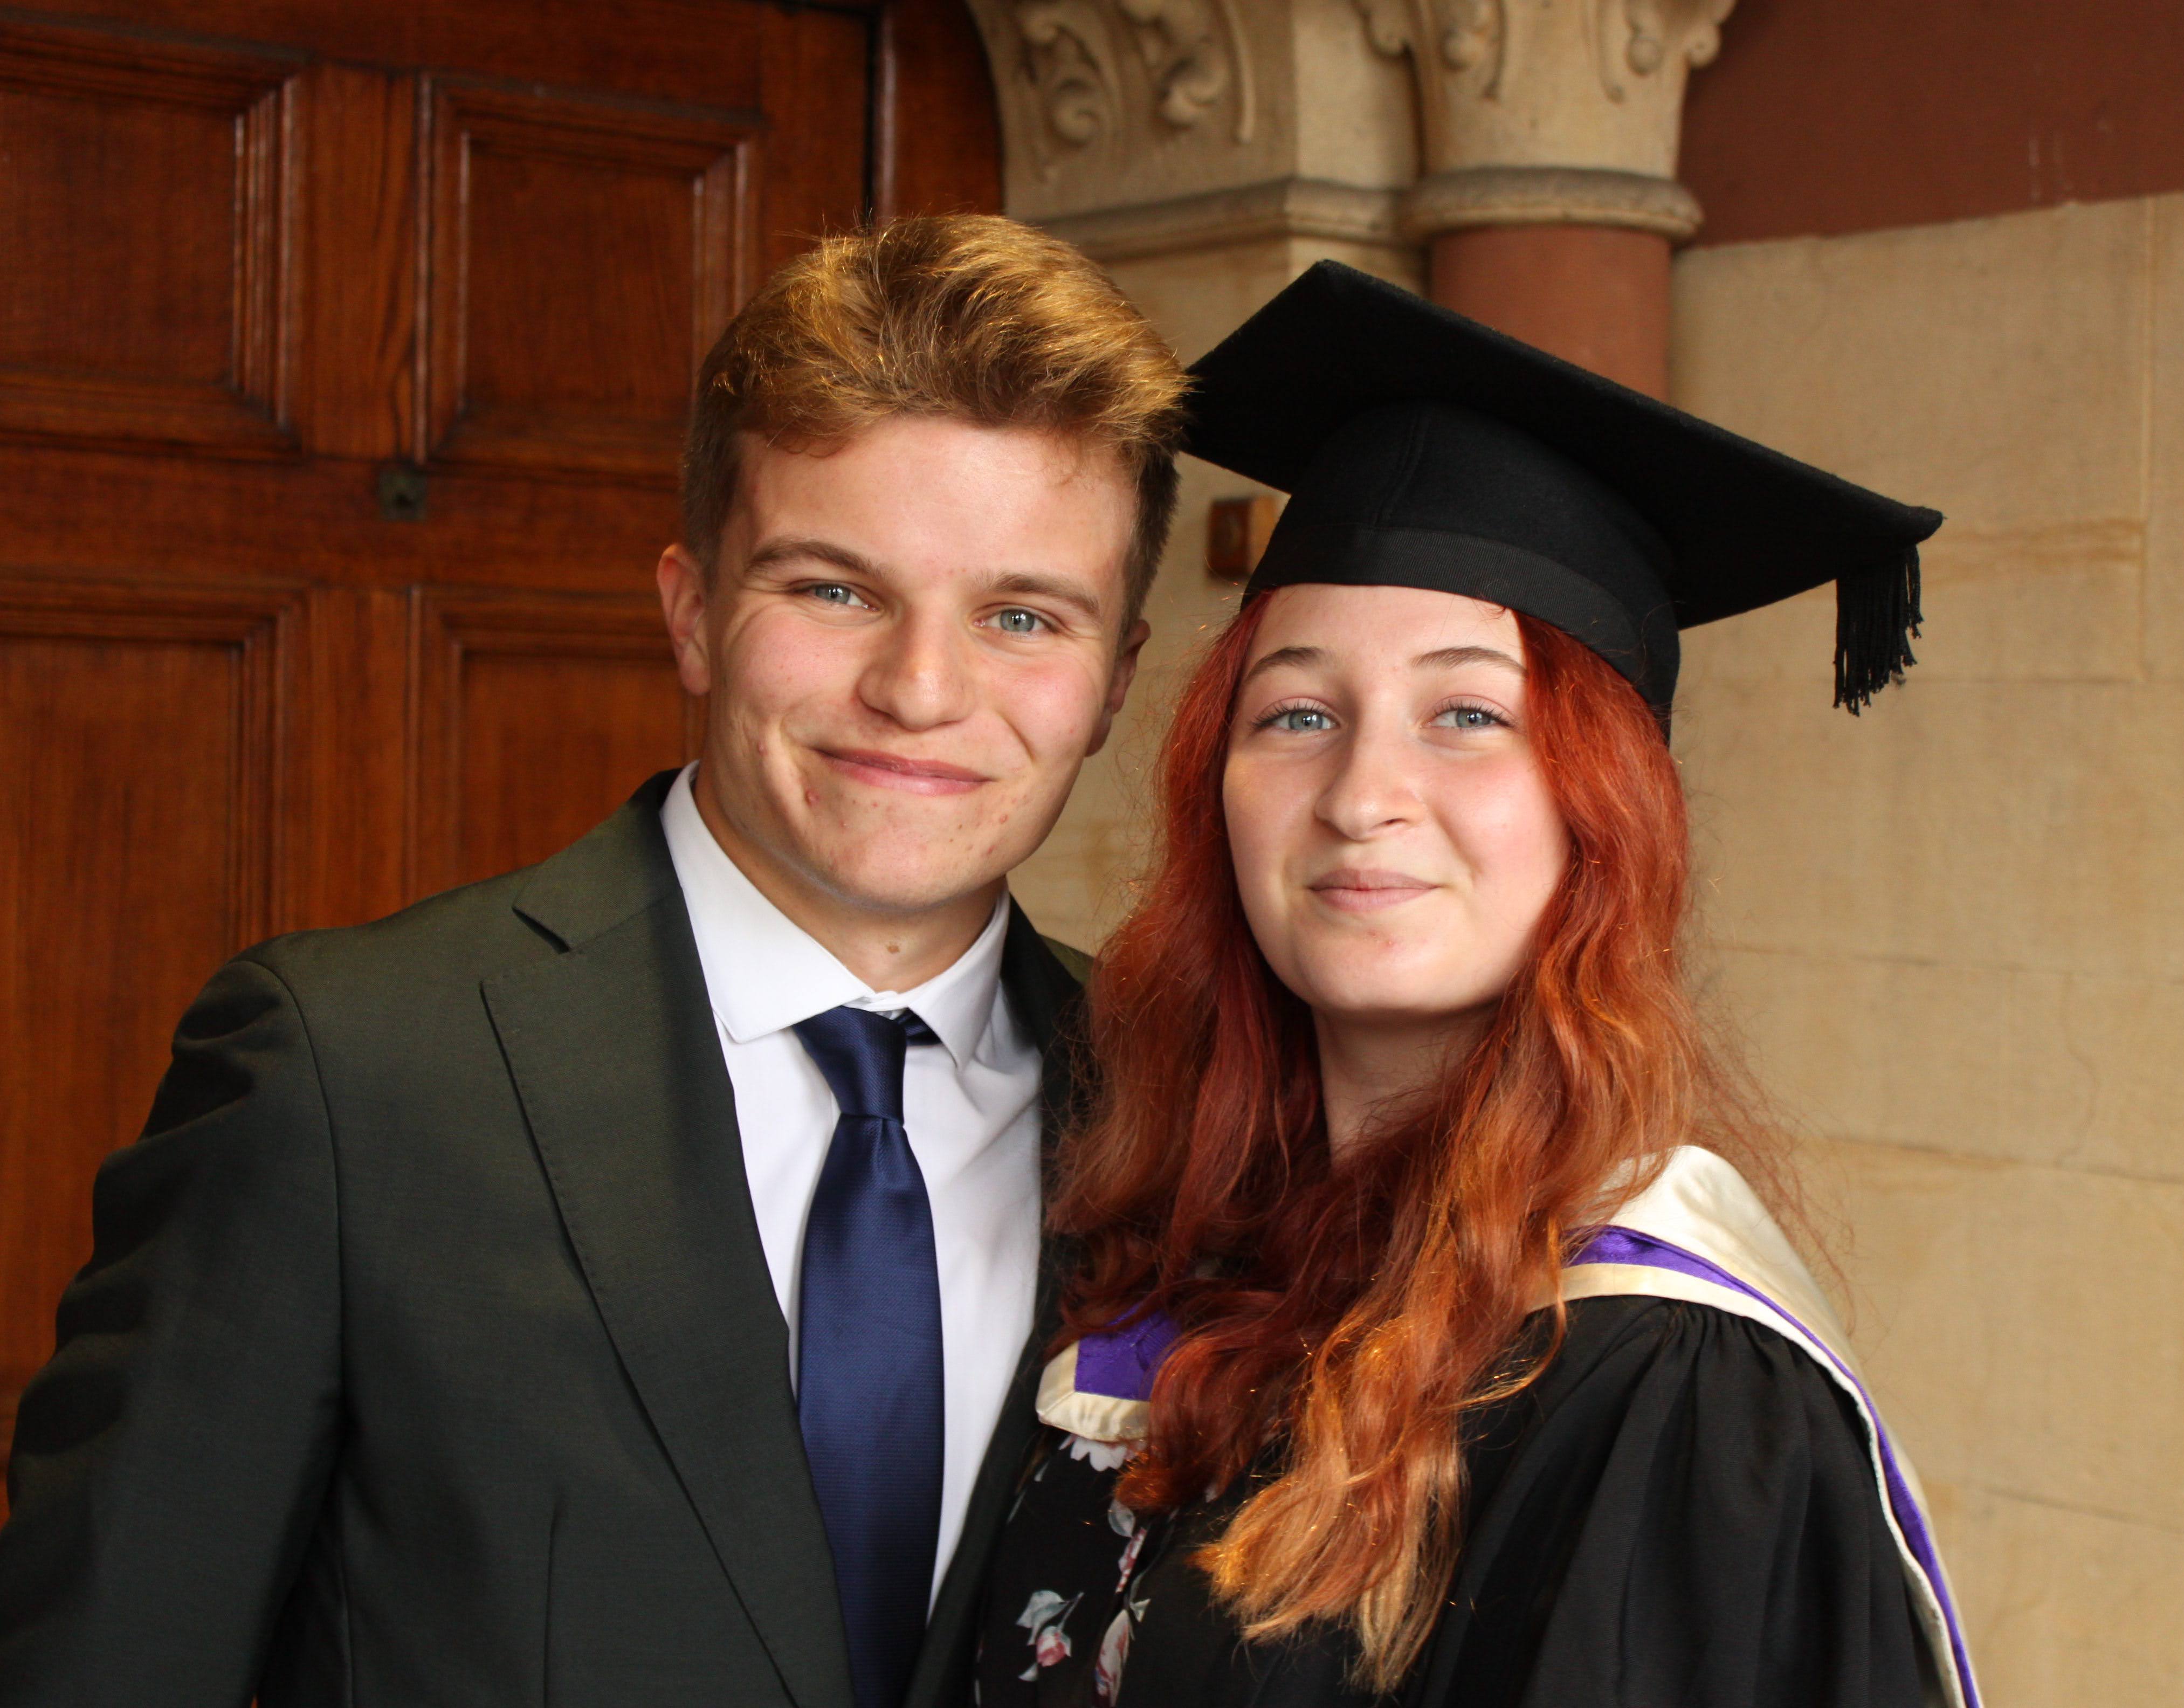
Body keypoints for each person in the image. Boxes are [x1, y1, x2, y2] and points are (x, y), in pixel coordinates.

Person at [0, 216, 1185, 1708]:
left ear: (1115, 679)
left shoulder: (1180, 1109)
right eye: (833, 589)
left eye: (1022, 616)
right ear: (693, 612)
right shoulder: (349, 1077)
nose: (919, 690)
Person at [966, 263, 1978, 1708]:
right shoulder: (1175, 1250)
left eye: (1467, 716)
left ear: (1602, 807)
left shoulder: (1660, 1375)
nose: (1363, 794)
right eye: (1299, 712)